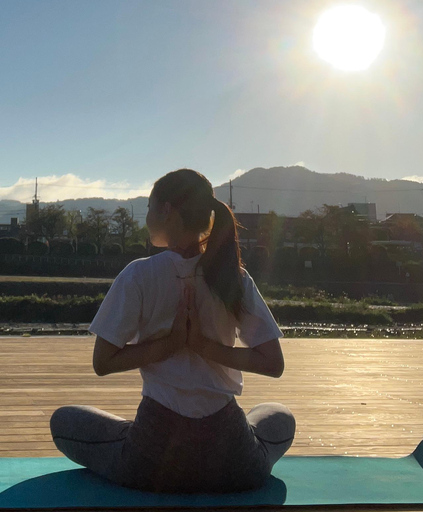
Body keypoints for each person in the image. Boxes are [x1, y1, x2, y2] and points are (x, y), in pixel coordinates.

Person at [50, 168, 295, 494]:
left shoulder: (138, 275)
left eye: (151, 207)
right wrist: (205, 348)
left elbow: (103, 362)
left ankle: (129, 434)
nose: (148, 216)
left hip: (152, 461)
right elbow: (272, 364)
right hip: (233, 461)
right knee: (279, 417)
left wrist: (171, 345)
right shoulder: (233, 276)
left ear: (166, 210)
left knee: (64, 421)